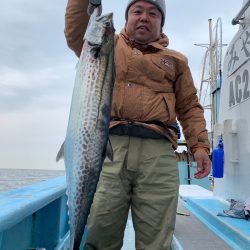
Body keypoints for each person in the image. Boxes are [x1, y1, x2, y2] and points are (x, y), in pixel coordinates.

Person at [64, 0, 211, 249]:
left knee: (156, 238)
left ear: (161, 21)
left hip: (158, 154)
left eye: (153, 13)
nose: (144, 17)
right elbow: (76, 32)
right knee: (101, 231)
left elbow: (189, 106)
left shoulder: (176, 61)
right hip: (108, 149)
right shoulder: (109, 45)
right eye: (137, 11)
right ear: (127, 17)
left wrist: (199, 145)